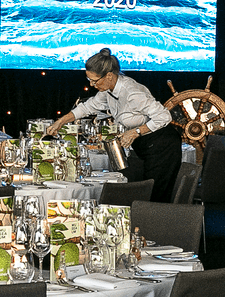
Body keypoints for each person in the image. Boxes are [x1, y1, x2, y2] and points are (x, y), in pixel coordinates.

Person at [42, 48, 183, 202]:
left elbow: (164, 116)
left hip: (163, 145)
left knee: (155, 197)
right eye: (89, 80)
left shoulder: (132, 92)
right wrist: (60, 122)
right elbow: (86, 107)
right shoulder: (108, 90)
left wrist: (135, 132)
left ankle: (158, 225)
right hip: (145, 146)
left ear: (109, 76)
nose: (91, 84)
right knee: (140, 193)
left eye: (95, 81)